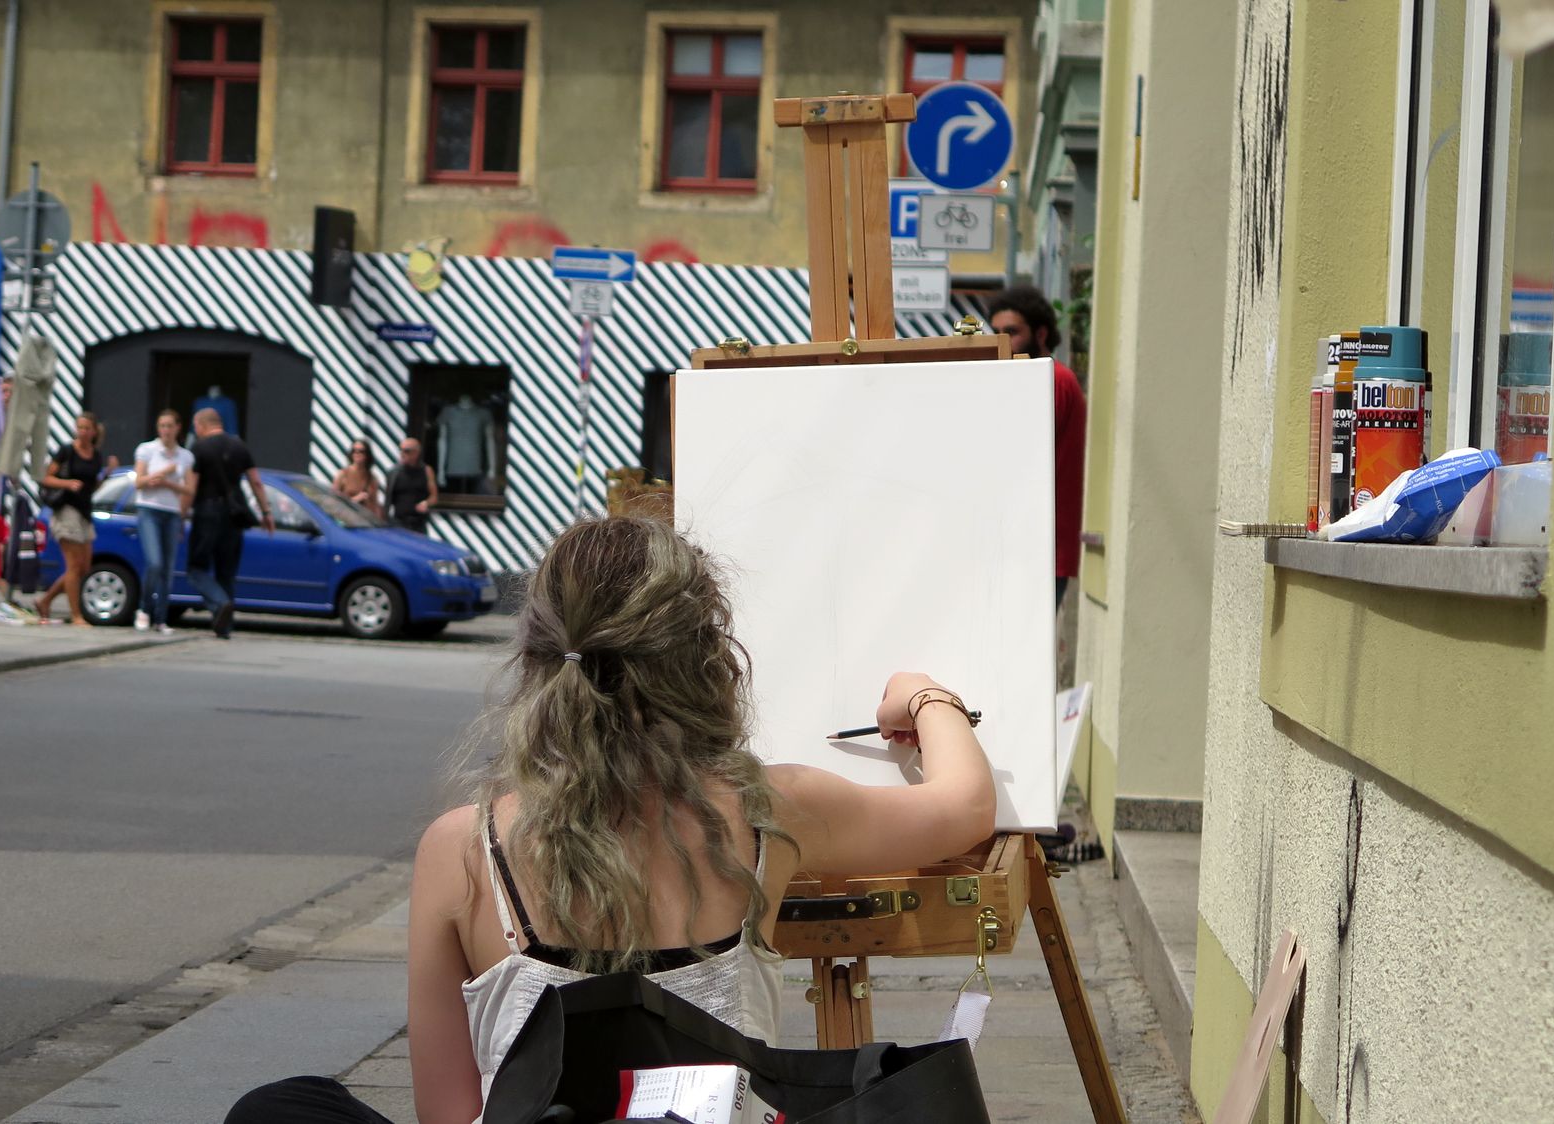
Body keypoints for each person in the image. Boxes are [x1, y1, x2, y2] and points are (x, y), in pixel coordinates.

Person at [225, 516, 996, 1124]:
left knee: (280, 1106)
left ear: (538, 655)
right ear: (707, 661)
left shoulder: (463, 849)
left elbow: (451, 1114)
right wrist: (923, 694)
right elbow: (964, 808)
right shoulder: (768, 811)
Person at [986, 286, 1087, 606]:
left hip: (1039, 550)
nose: (1002, 339)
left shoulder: (1050, 379)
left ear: (1041, 333)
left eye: (1012, 332)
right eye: (996, 331)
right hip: (1026, 546)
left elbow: (1019, 454)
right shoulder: (1032, 379)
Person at [185, 408, 273, 639]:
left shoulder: (199, 447)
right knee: (227, 571)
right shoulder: (239, 446)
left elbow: (191, 486)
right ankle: (224, 626)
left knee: (196, 568)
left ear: (203, 425)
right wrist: (266, 512)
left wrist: (182, 512)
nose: (196, 430)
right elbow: (256, 481)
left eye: (196, 426)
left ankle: (220, 603)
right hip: (234, 514)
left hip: (207, 510)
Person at [35, 412, 106, 625]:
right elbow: (46, 478)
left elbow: (92, 487)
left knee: (84, 567)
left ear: (94, 431)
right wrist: (67, 483)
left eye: (87, 428)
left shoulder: (96, 455)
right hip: (66, 509)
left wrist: (107, 474)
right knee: (74, 566)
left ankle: (45, 600)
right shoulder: (66, 451)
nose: (83, 432)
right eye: (80, 427)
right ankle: (76, 615)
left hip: (85, 511)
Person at [132, 409, 194, 632]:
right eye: (162, 426)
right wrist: (157, 476)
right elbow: (138, 482)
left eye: (170, 426)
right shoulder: (147, 449)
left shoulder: (185, 456)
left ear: (178, 428)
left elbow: (189, 489)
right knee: (155, 562)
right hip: (149, 509)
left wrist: (169, 483)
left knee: (168, 568)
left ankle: (161, 618)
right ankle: (144, 608)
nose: (166, 431)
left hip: (172, 511)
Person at [383, 438, 439, 534]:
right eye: (400, 450)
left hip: (418, 523)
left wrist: (426, 503)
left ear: (416, 453)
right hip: (398, 522)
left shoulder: (426, 471)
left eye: (406, 451)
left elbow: (434, 497)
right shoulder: (394, 473)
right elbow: (388, 500)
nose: (402, 454)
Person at [333, 440, 384, 518]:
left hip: (366, 521)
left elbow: (375, 505)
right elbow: (333, 502)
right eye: (354, 451)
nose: (357, 454)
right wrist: (354, 499)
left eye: (361, 451)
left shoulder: (372, 478)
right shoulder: (342, 474)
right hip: (348, 521)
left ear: (367, 455)